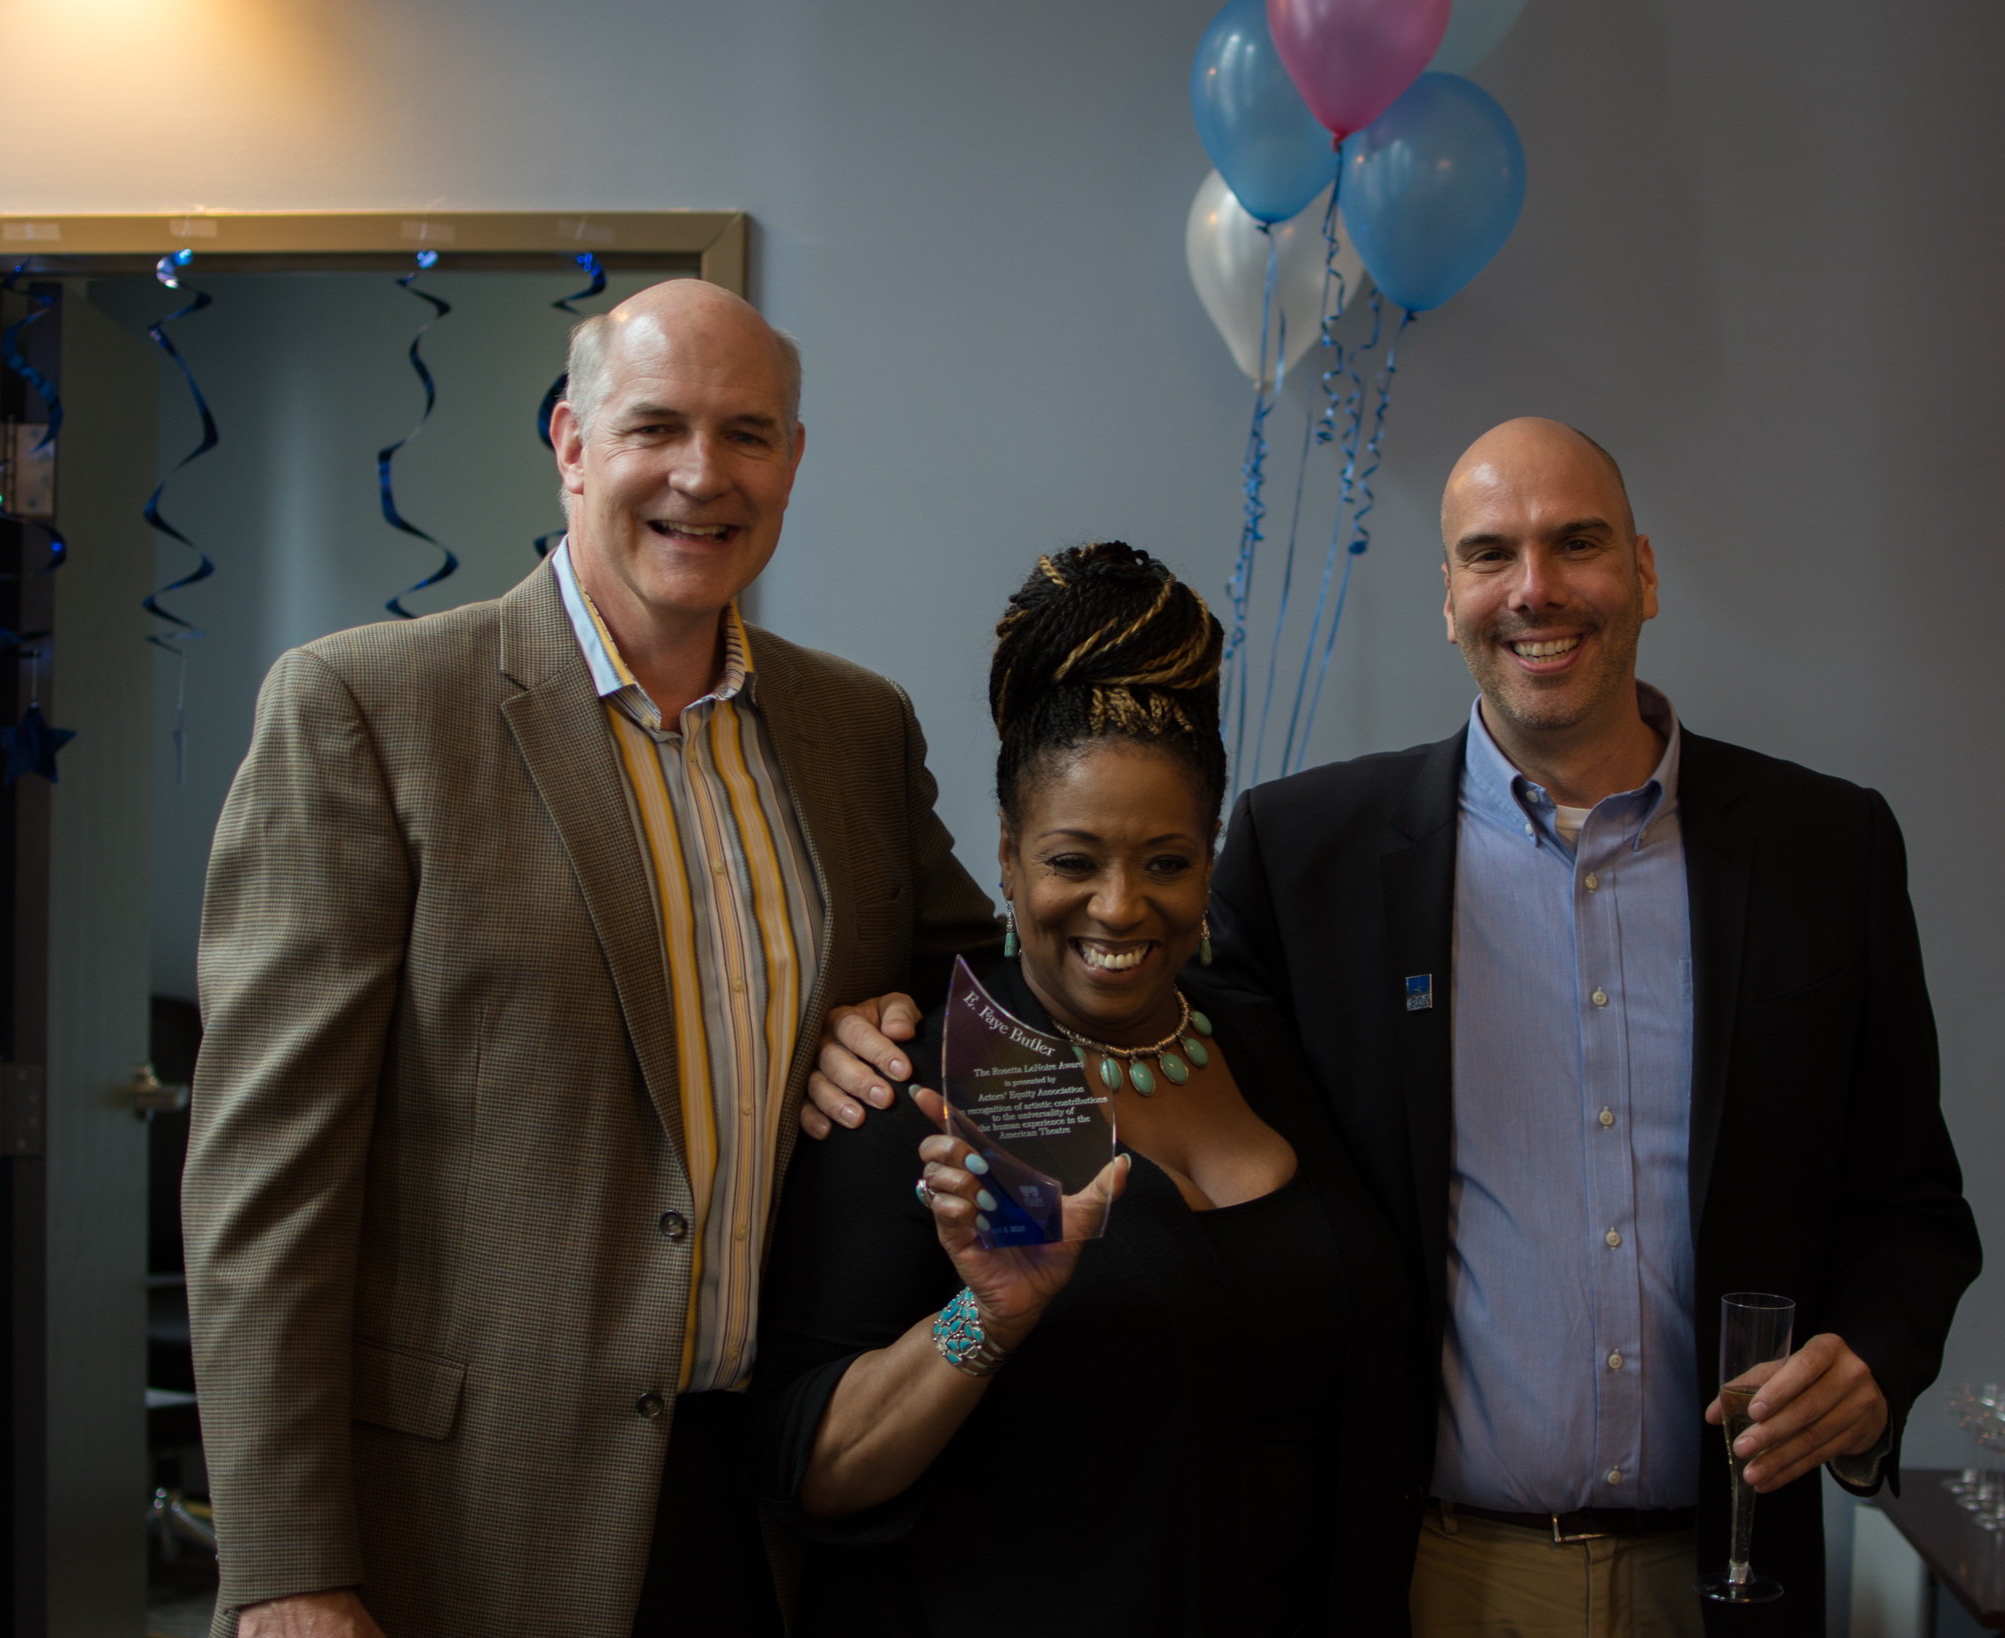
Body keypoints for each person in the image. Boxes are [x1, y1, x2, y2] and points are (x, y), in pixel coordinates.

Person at [811, 421, 1980, 1637]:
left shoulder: (1822, 849)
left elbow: (1909, 1205)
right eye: (1489, 554)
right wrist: (890, 1009)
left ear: (1641, 571)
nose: (1533, 589)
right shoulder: (1308, 853)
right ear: (1447, 596)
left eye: (1575, 543)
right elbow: (1100, 974)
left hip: (1724, 1568)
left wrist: (1873, 1361)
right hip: (1422, 1573)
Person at [180, 280, 999, 1638]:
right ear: (571, 443)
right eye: (654, 427)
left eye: (746, 434)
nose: (702, 475)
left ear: (793, 460)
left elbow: (986, 994)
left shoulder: (858, 725)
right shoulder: (367, 710)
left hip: (766, 1507)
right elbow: (265, 1184)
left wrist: (891, 1016)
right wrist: (285, 1570)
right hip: (462, 1523)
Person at [748, 543, 1428, 1637]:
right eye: (1073, 861)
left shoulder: (1264, 1037)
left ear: (1209, 858)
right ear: (1007, 859)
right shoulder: (929, 1083)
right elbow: (810, 1472)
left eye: (1165, 861)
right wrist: (986, 1318)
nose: (1119, 907)